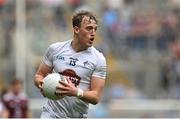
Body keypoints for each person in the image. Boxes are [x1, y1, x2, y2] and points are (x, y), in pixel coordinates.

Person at [34, 10, 107, 118]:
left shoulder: (98, 59)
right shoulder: (55, 49)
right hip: (50, 114)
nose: (93, 33)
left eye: (95, 29)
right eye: (89, 28)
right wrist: (41, 84)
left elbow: (96, 97)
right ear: (76, 29)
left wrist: (76, 92)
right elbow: (39, 75)